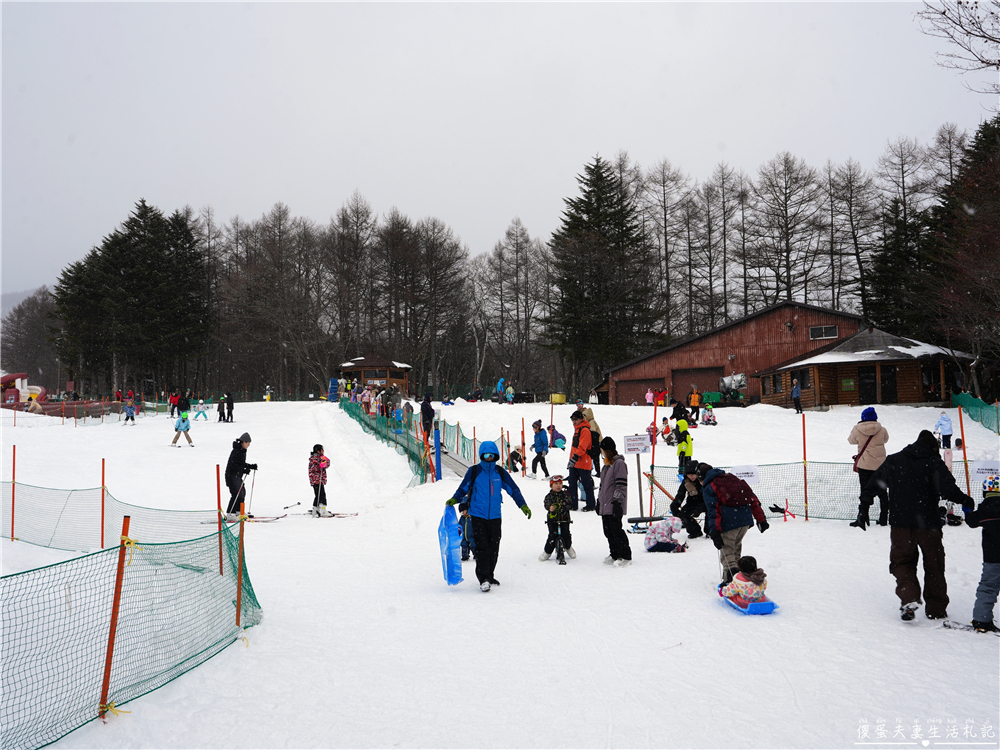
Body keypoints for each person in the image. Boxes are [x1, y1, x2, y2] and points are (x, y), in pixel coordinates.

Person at [859, 429, 974, 621]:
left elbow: (873, 484)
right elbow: (948, 489)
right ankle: (936, 609)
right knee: (934, 564)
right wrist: (965, 500)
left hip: (900, 524)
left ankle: (909, 597)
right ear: (932, 447)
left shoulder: (895, 460)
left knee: (902, 562)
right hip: (928, 523)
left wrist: (864, 507)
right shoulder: (933, 462)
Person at [446, 441, 531, 592]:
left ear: (496, 455)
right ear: (481, 455)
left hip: (495, 516)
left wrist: (522, 505)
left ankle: (489, 574)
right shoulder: (474, 471)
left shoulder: (500, 472)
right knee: (481, 547)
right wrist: (455, 499)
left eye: (492, 455)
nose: (489, 458)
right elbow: (463, 488)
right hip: (478, 516)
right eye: (486, 455)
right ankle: (483, 578)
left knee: (494, 547)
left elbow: (513, 489)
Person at [701, 463, 769, 584]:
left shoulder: (710, 486)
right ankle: (740, 577)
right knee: (735, 548)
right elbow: (752, 498)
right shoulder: (731, 478)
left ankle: (730, 580)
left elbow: (713, 510)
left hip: (729, 520)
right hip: (744, 520)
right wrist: (761, 519)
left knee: (727, 551)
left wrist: (715, 531)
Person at [964, 476, 1000, 633]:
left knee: (988, 587)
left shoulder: (985, 509)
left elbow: (972, 522)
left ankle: (981, 621)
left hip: (993, 557)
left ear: (985, 491)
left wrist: (967, 510)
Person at [848, 406, 890, 528]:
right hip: (880, 466)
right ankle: (883, 519)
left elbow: (851, 440)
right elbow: (886, 440)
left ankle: (863, 517)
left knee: (865, 491)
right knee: (882, 493)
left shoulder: (857, 429)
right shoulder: (882, 429)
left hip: (865, 466)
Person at [597, 437, 632, 566]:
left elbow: (621, 485)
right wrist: (599, 501)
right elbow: (602, 486)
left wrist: (617, 502)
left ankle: (625, 555)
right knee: (608, 531)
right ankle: (614, 553)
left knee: (616, 530)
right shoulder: (606, 466)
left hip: (613, 505)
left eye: (603, 450)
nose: (602, 453)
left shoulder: (619, 464)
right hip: (605, 505)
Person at [539, 475, 575, 562]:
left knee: (566, 534)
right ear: (551, 485)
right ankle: (547, 551)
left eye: (560, 483)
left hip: (564, 519)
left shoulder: (565, 495)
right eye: (556, 484)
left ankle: (568, 547)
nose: (558, 485)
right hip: (553, 520)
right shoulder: (549, 496)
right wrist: (550, 507)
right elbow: (546, 504)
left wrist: (562, 506)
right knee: (552, 535)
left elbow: (569, 503)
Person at [567, 410, 597, 512]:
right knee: (572, 484)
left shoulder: (584, 430)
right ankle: (573, 504)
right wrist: (571, 460)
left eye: (575, 419)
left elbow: (582, 447)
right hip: (575, 463)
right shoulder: (577, 430)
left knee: (586, 484)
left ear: (581, 419)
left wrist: (574, 458)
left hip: (583, 462)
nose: (574, 421)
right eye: (572, 419)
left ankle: (591, 504)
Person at [225, 432, 258, 521]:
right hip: (231, 476)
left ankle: (239, 511)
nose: (249, 445)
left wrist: (250, 466)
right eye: (248, 443)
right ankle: (230, 513)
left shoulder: (242, 450)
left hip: (237, 475)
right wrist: (243, 470)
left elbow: (241, 464)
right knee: (236, 493)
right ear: (243, 442)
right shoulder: (236, 451)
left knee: (242, 492)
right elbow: (233, 465)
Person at [671, 458, 706, 538]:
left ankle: (710, 531)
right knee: (684, 513)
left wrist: (700, 508)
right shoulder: (686, 482)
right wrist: (674, 506)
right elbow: (680, 495)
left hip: (706, 502)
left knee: (711, 513)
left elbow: (710, 496)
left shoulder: (703, 480)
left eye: (693, 474)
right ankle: (695, 531)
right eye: (689, 474)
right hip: (692, 502)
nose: (691, 476)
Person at [308, 444, 332, 517]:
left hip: (319, 479)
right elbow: (316, 468)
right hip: (317, 479)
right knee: (321, 494)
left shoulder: (319, 458)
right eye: (322, 450)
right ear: (318, 451)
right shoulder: (315, 459)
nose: (323, 451)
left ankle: (316, 508)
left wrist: (324, 460)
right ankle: (322, 509)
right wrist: (316, 479)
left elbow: (326, 464)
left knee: (318, 494)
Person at [582, 405, 603, 479]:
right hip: (598, 442)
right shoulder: (592, 421)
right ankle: (597, 471)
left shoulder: (591, 422)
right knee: (596, 458)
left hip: (596, 443)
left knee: (595, 458)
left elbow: (593, 433)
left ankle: (596, 471)